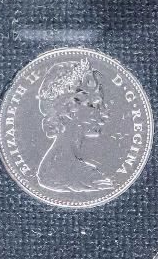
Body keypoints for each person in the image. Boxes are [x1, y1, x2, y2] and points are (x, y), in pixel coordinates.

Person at [35, 57, 113, 194]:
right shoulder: (85, 177)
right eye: (94, 104)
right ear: (70, 108)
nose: (105, 113)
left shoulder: (53, 168)